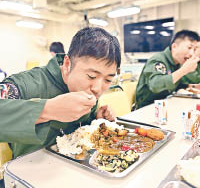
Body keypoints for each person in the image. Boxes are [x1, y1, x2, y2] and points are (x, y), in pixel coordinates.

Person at [0, 27, 121, 159]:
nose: (98, 88)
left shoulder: (88, 89)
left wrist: (97, 120)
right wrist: (47, 110)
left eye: (108, 80)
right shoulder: (26, 84)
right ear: (67, 64)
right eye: (91, 76)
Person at [135, 30, 200, 109]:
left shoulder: (177, 63)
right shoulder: (158, 60)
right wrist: (184, 70)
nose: (192, 53)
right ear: (174, 47)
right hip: (146, 108)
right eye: (189, 47)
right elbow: (155, 85)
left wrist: (193, 86)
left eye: (194, 49)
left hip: (164, 104)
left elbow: (175, 84)